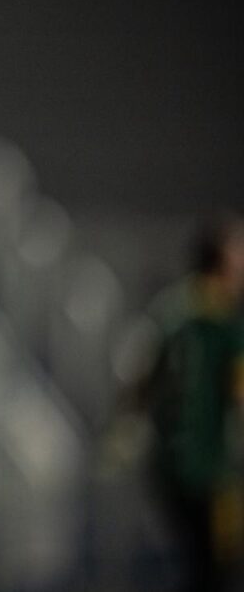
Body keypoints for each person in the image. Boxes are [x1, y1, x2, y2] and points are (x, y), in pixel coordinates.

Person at [138, 213, 244, 591]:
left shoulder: (171, 311)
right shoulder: (224, 324)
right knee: (215, 572)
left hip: (168, 468)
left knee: (193, 565)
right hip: (211, 472)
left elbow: (138, 381)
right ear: (221, 259)